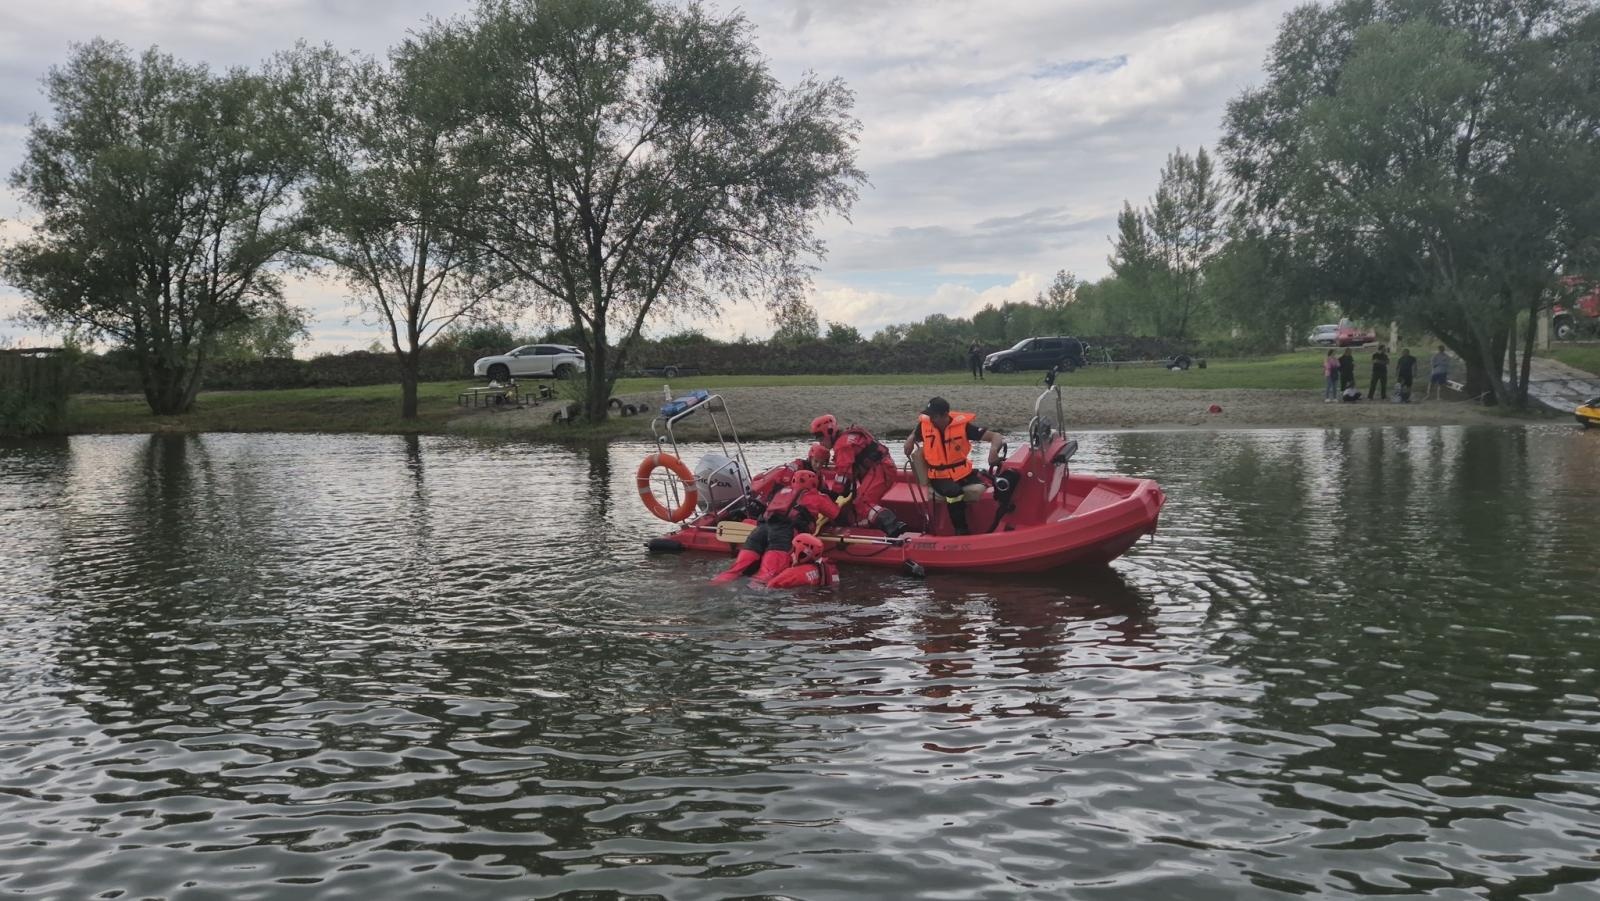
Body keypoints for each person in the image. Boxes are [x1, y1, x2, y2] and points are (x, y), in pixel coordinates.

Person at [712, 469, 840, 585]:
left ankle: (713, 585)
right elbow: (836, 514)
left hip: (761, 530)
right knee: (766, 577)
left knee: (734, 571)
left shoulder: (781, 492)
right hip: (783, 534)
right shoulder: (817, 497)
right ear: (814, 483)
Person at [902, 396, 1006, 535]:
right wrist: (910, 440)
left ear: (945, 415)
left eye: (934, 416)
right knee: (954, 493)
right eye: (929, 415)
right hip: (938, 475)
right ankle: (960, 529)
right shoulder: (925, 425)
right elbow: (915, 433)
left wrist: (993, 452)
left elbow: (995, 436)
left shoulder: (963, 427)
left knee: (991, 483)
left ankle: (991, 522)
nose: (931, 419)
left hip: (962, 472)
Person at [811, 414, 907, 536]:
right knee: (859, 504)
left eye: (820, 438)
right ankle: (877, 526)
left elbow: (843, 473)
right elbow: (848, 472)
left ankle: (892, 526)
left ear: (829, 432)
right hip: (880, 468)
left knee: (863, 502)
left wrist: (834, 494)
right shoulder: (846, 439)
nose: (820, 442)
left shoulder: (842, 445)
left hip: (880, 470)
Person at [763, 533, 839, 589]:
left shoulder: (793, 573)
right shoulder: (829, 567)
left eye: (794, 549)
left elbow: (770, 587)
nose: (791, 553)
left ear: (802, 552)